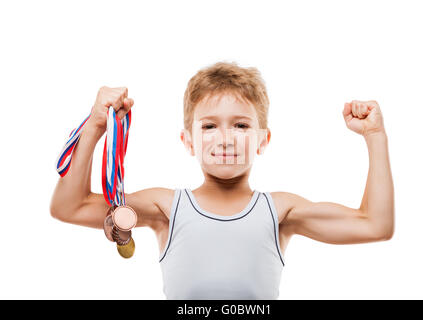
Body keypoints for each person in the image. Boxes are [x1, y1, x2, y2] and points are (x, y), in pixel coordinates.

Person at [50, 61, 395, 299]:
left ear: (263, 139)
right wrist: (96, 125)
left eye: (241, 125)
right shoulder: (167, 207)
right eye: (210, 126)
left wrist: (375, 136)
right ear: (188, 141)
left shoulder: (280, 211)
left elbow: (374, 225)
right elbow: (70, 207)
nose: (225, 138)